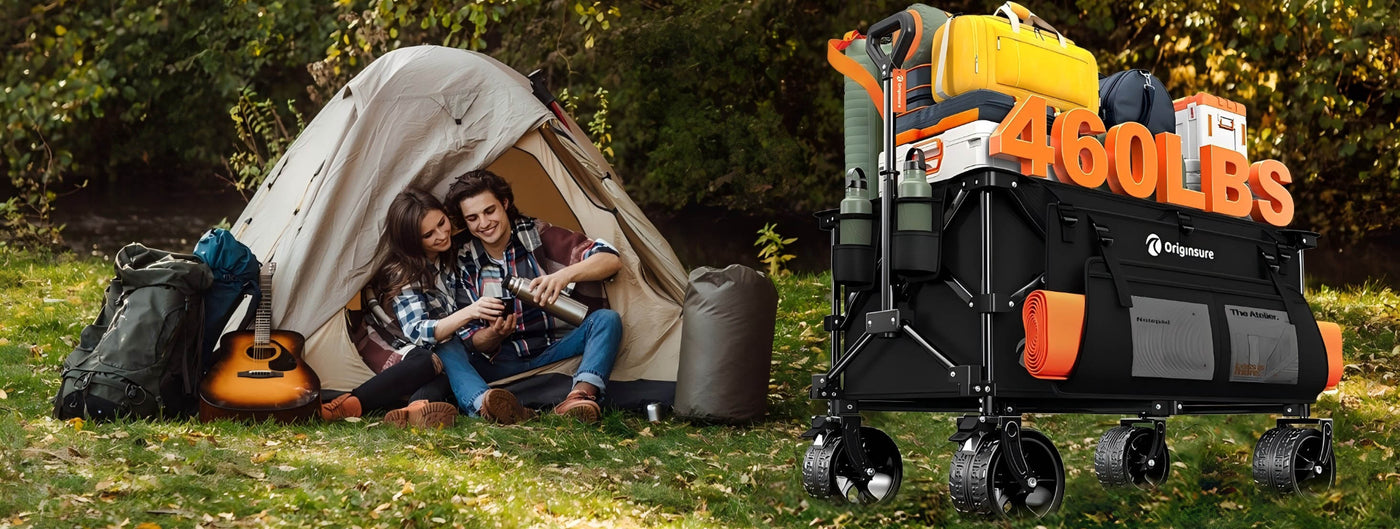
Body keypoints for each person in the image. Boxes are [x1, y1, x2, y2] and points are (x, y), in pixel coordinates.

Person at [433, 168, 624, 424]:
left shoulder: (537, 234)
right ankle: (486, 407)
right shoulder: (461, 257)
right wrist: (493, 335)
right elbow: (472, 342)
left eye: (489, 211)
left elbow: (610, 259)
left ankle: (579, 399)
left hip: (553, 349)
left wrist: (563, 276)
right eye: (473, 218)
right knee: (444, 344)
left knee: (606, 320)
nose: (484, 223)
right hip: (499, 361)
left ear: (504, 203)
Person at [318, 189, 489, 428]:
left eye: (442, 223)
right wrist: (471, 311)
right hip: (393, 341)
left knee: (450, 365)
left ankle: (415, 409)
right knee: (429, 361)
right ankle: (353, 402)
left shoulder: (449, 255)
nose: (441, 235)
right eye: (429, 234)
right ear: (413, 241)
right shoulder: (403, 271)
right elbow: (418, 332)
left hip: (440, 346)